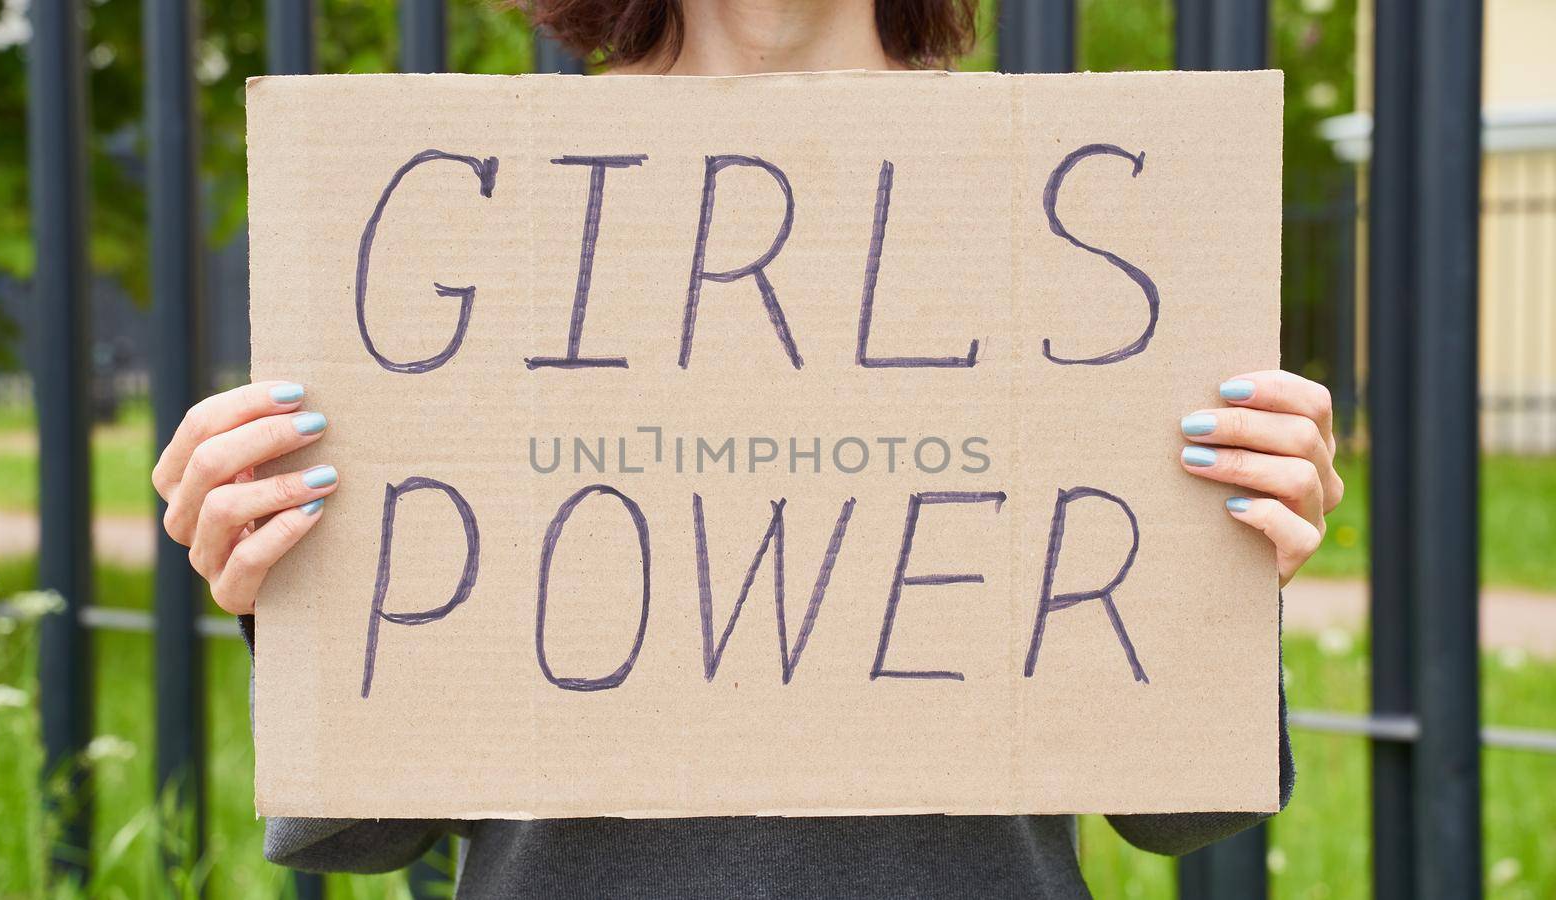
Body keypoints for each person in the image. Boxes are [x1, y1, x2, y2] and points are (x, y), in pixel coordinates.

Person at [152, 1, 1340, 896]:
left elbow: (1177, 816)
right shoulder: (467, 214)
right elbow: (363, 834)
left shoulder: (1078, 206)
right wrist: (288, 580)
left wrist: (1223, 570)